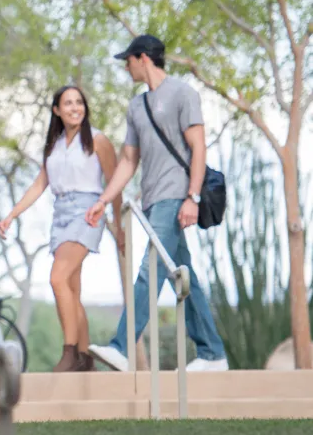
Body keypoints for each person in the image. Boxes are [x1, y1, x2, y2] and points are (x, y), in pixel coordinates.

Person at [85, 34, 228, 372]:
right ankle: (212, 353)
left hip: (175, 197)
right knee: (184, 276)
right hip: (150, 202)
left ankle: (122, 346)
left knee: (149, 272)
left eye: (128, 60)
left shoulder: (183, 94)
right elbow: (129, 160)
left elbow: (199, 148)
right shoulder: (136, 106)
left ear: (143, 58)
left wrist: (191, 197)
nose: (126, 66)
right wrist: (104, 200)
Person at [0, 86, 123, 372]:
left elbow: (115, 184)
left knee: (57, 278)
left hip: (88, 210)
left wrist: (118, 225)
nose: (75, 108)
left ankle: (68, 353)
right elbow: (39, 185)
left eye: (79, 102)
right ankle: (85, 357)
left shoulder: (98, 140)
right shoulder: (53, 146)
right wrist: (12, 214)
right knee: (70, 289)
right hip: (61, 213)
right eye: (68, 103)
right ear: (56, 110)